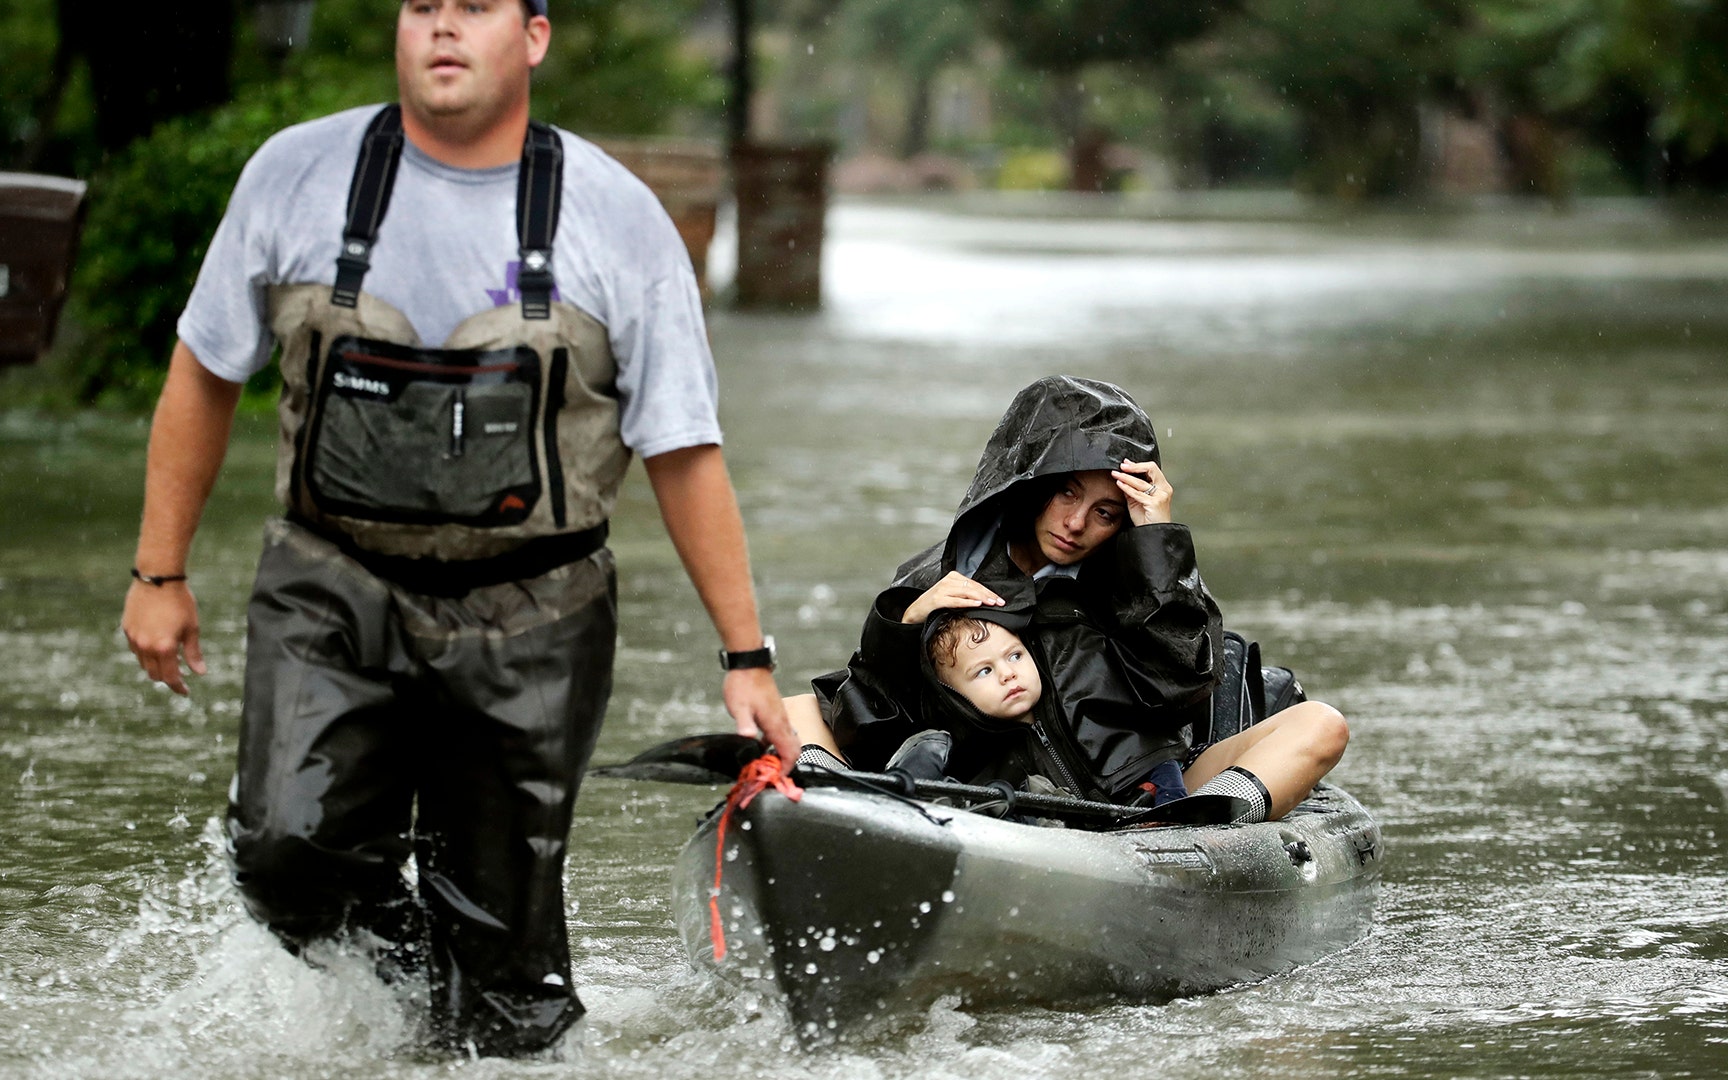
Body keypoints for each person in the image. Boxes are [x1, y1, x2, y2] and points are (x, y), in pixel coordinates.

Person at [119, 0, 795, 1056]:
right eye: (421, 5)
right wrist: (158, 570)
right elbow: (203, 373)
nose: (442, 27)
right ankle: (410, 991)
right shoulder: (296, 174)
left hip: (539, 610)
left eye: (472, 7)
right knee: (285, 857)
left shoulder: (616, 217)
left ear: (531, 36)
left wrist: (747, 655)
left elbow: (683, 447)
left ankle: (479, 1007)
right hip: (328, 583)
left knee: (507, 971)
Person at [790, 375, 1346, 823]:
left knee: (1321, 723)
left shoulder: (1141, 577)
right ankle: (838, 815)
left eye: (1105, 512)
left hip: (1145, 800)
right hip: (1007, 805)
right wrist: (905, 627)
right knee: (792, 708)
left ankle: (1204, 827)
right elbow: (872, 725)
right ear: (1031, 485)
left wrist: (1157, 541)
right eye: (1067, 492)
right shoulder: (936, 579)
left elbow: (1183, 692)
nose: (1076, 524)